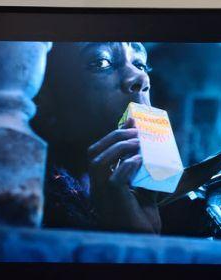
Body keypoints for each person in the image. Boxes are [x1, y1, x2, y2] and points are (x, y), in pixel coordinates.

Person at [31, 42, 161, 233]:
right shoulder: (28, 204)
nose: (141, 77)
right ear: (44, 97)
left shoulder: (146, 198)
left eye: (140, 65)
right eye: (101, 62)